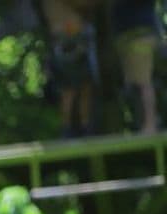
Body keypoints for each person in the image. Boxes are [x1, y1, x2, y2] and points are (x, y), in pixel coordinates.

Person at [41, 0, 100, 137]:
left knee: (81, 90)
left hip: (72, 44)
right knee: (71, 91)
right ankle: (71, 130)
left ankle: (80, 128)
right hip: (68, 44)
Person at [111, 0, 160, 134]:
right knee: (132, 83)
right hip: (127, 35)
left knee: (143, 81)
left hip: (140, 33)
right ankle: (142, 124)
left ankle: (150, 124)